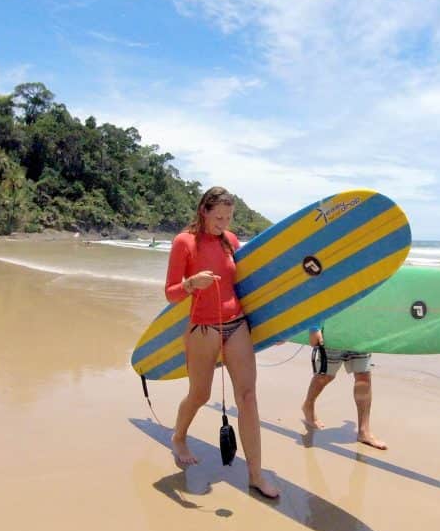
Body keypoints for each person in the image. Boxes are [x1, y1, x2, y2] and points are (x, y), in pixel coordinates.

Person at [164, 186, 279, 498]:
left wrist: (275, 328)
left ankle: (255, 473)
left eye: (228, 218)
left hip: (236, 324)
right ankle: (179, 436)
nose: (224, 223)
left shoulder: (230, 241)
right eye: (218, 217)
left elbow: (246, 287)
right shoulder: (184, 242)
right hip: (204, 328)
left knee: (248, 397)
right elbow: (171, 293)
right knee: (200, 394)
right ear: (204, 211)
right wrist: (190, 283)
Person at [301, 326, 387, 450]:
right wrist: (314, 327)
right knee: (325, 376)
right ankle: (308, 405)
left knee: (363, 377)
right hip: (334, 332)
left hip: (361, 333)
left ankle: (364, 431)